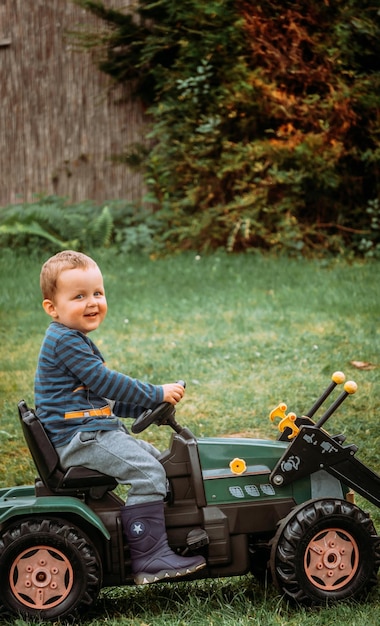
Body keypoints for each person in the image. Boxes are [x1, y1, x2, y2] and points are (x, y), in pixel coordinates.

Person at [35, 250, 205, 584]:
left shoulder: (72, 340)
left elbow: (100, 398)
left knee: (163, 462)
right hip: (80, 440)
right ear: (52, 308)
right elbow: (105, 381)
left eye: (97, 293)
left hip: (90, 431)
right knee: (148, 474)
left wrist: (140, 409)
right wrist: (154, 393)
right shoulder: (64, 341)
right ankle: (151, 559)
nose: (92, 302)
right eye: (79, 296)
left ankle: (171, 537)